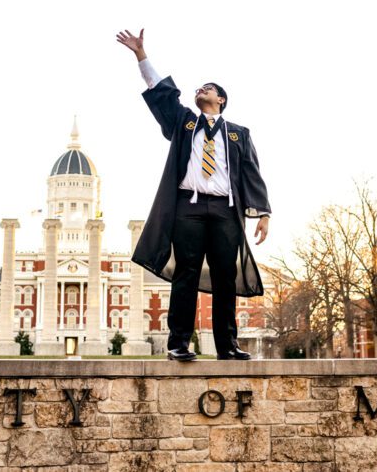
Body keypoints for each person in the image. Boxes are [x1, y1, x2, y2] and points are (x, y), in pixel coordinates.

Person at [116, 28, 271, 361]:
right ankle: (179, 343)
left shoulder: (238, 134)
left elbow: (251, 173)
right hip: (189, 207)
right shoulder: (184, 122)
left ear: (221, 100)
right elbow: (162, 92)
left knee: (224, 277)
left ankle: (227, 345)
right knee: (186, 273)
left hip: (226, 211)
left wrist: (263, 213)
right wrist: (142, 55)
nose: (202, 89)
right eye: (199, 88)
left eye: (209, 88)